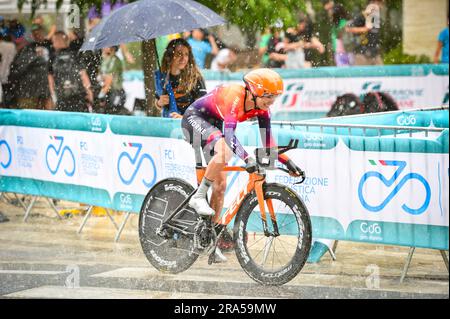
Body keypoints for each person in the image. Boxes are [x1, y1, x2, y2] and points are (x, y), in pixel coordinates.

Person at [181, 68, 303, 261]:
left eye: (275, 97)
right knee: (225, 150)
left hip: (215, 124)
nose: (270, 101)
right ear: (254, 91)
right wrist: (247, 159)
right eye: (267, 96)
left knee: (220, 187)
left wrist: (289, 163)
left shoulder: (263, 109)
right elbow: (229, 137)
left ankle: (208, 239)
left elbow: (268, 144)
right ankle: (198, 196)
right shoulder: (234, 96)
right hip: (195, 118)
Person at [154, 38, 207, 118]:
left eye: (186, 54)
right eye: (179, 54)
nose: (183, 58)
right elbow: (157, 102)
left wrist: (183, 118)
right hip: (168, 124)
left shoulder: (196, 78)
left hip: (189, 127)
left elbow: (203, 108)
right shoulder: (162, 77)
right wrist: (159, 103)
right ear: (170, 56)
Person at [48, 31, 93, 112]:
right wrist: (89, 91)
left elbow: (50, 81)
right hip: (79, 98)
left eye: (53, 42)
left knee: (63, 122)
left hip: (62, 98)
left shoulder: (52, 58)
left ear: (57, 41)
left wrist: (53, 98)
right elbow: (84, 75)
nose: (53, 45)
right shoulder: (75, 55)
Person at [345, 0, 384, 66]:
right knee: (361, 74)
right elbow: (348, 28)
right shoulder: (362, 15)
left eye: (380, 4)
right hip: (362, 53)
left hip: (374, 53)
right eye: (378, 3)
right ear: (372, 3)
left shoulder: (376, 17)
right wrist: (364, 29)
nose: (379, 6)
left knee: (382, 73)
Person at [98, 46, 127, 114]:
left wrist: (102, 94)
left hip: (116, 92)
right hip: (108, 91)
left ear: (112, 48)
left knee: (113, 113)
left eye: (106, 46)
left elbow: (109, 78)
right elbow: (100, 75)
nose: (103, 47)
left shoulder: (114, 60)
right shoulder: (104, 59)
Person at [0, 31, 16, 107]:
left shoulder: (1, 46)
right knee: (8, 103)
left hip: (1, 78)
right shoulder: (12, 46)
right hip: (10, 77)